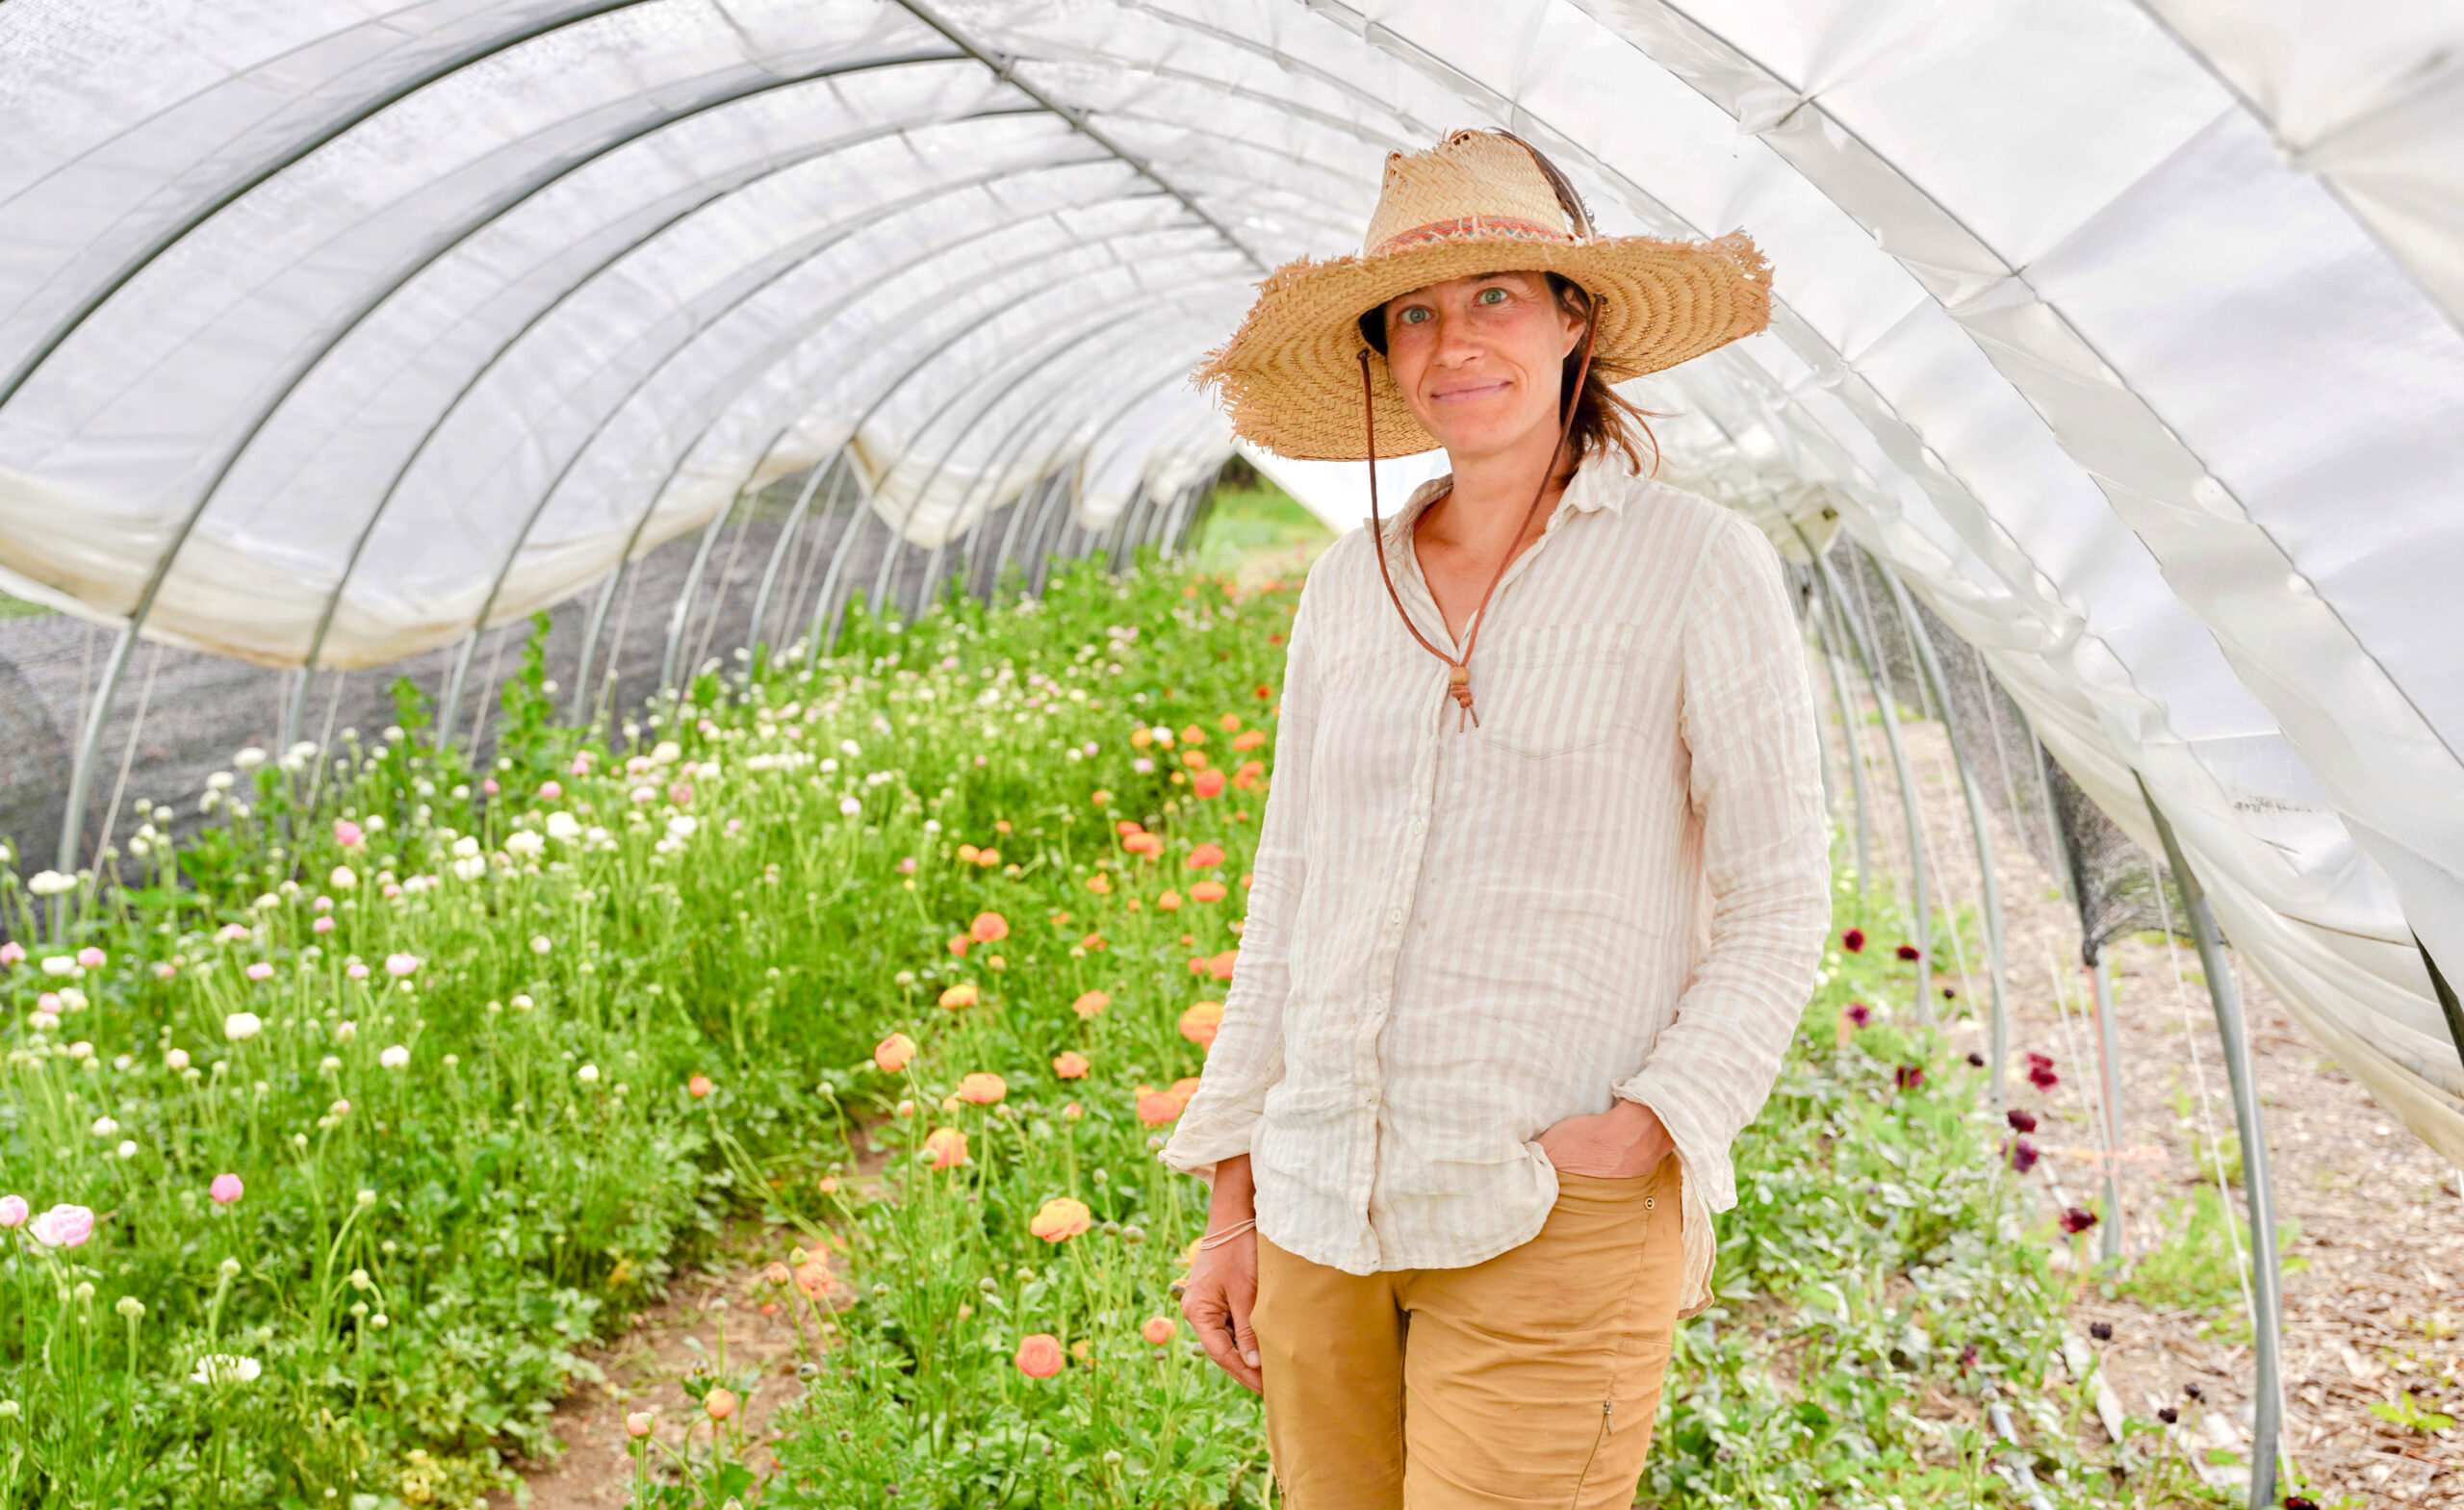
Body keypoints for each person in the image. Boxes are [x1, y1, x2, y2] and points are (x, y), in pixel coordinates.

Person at [1158, 128, 1833, 1507]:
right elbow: (1287, 894)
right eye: (1415, 313)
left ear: (1574, 320)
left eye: (1495, 298)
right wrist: (1235, 1197)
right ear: (1385, 355)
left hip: (1546, 1205)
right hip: (1321, 1206)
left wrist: (1648, 1125)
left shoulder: (1699, 566)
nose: (1453, 342)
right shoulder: (1353, 588)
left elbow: (1780, 901)